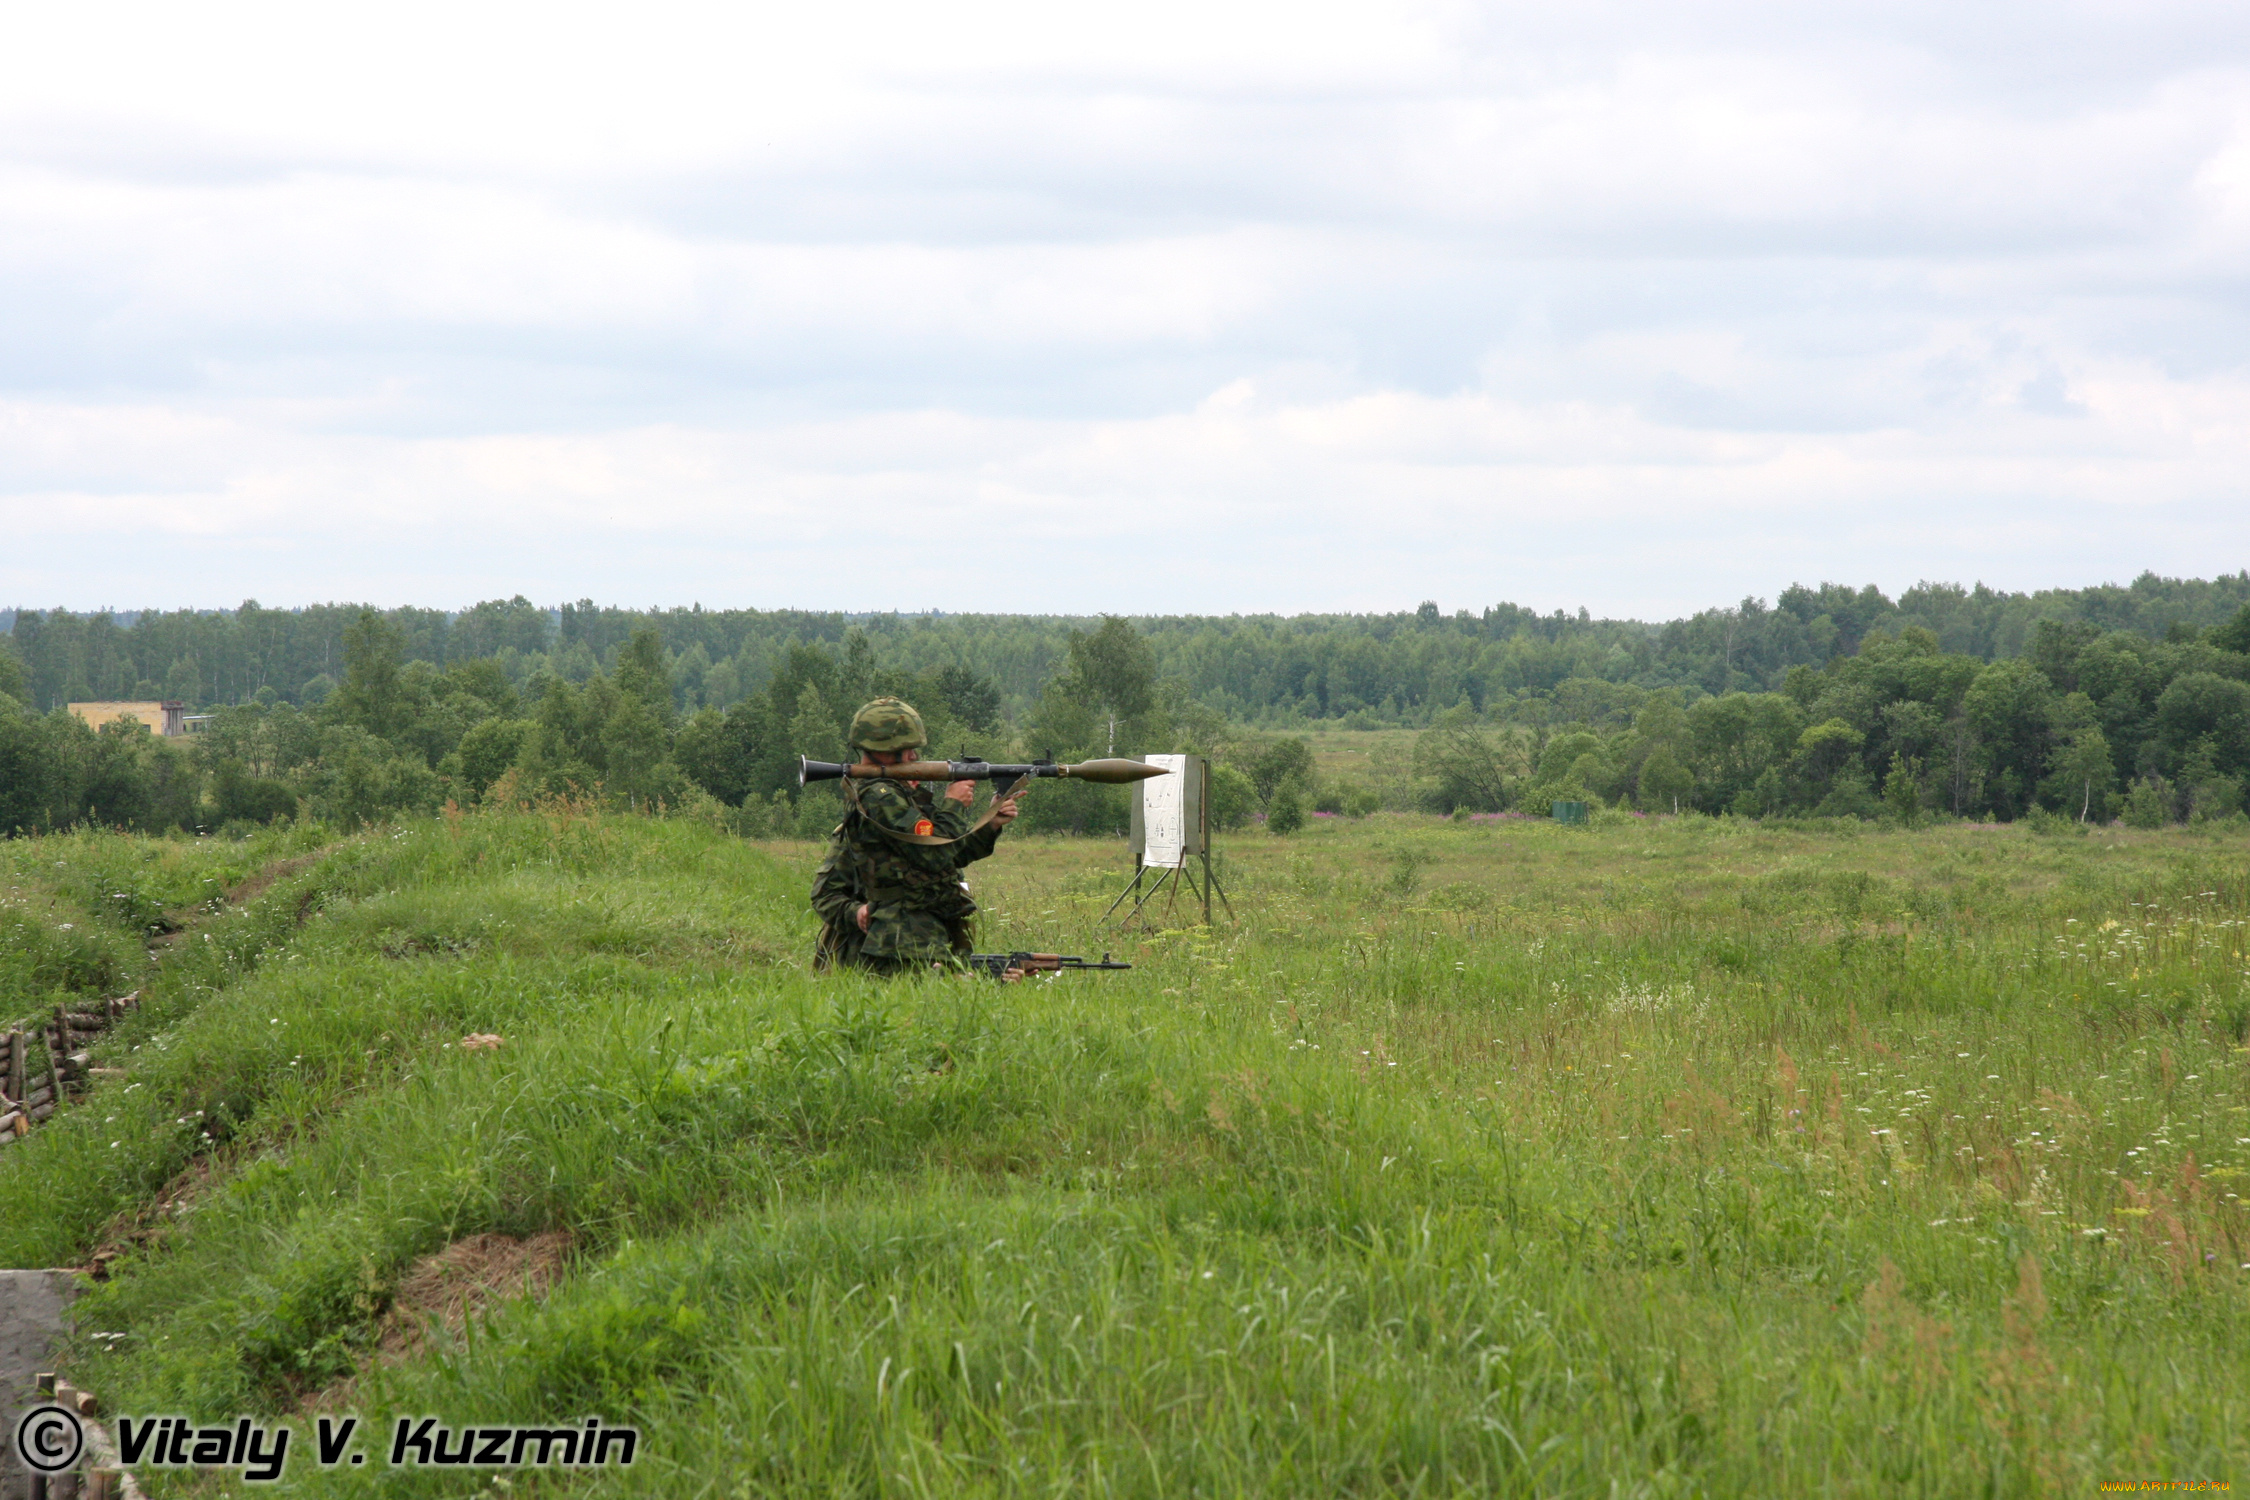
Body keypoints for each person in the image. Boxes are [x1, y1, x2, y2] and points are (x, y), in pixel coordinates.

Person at [811, 697, 1021, 974]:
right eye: (907, 748)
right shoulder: (878, 796)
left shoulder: (900, 797)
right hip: (899, 944)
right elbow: (934, 854)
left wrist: (991, 824)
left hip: (924, 937)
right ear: (885, 749)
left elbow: (952, 855)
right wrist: (954, 803)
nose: (914, 757)